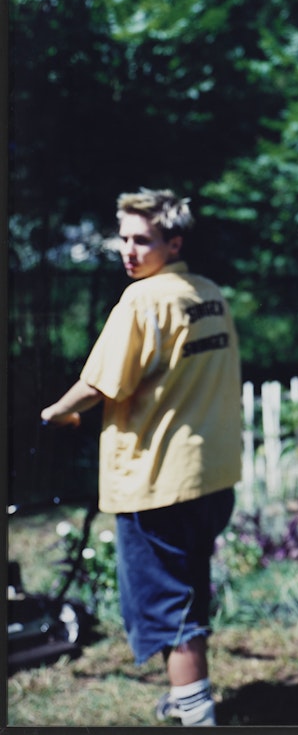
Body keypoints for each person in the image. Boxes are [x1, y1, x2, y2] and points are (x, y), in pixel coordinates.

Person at [41, 189, 242, 726]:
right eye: (124, 238)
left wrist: (53, 413)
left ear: (173, 242)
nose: (128, 250)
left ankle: (196, 714)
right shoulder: (209, 294)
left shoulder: (143, 300)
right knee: (188, 589)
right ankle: (186, 696)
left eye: (142, 240)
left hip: (158, 482)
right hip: (211, 476)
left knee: (167, 605)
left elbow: (98, 383)